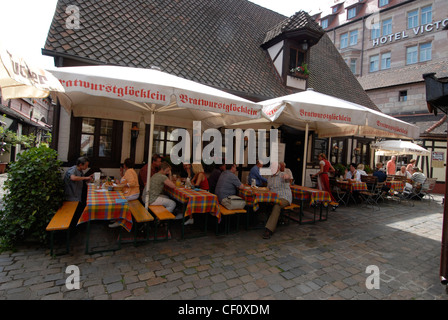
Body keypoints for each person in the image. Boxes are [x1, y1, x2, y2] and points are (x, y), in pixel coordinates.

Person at [263, 162, 292, 240]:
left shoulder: (282, 175)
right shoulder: (269, 177)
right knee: (264, 202)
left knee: (277, 205)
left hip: (284, 197)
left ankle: (268, 229)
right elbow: (268, 189)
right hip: (274, 198)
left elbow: (288, 177)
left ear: (278, 168)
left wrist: (287, 176)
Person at [63, 156, 93, 228]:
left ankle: (79, 224)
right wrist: (86, 178)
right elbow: (73, 178)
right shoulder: (73, 169)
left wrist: (88, 178)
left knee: (83, 204)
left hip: (77, 195)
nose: (87, 167)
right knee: (79, 209)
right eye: (86, 165)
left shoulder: (79, 170)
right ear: (80, 165)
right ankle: (74, 227)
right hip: (71, 196)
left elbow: (80, 179)